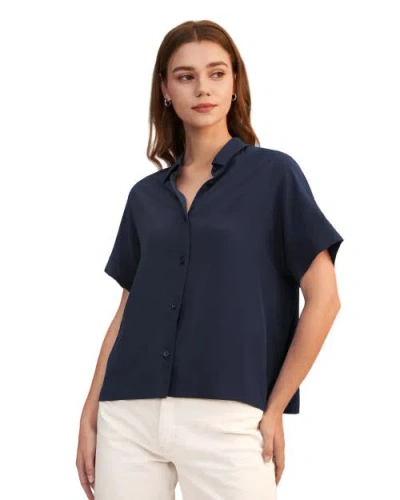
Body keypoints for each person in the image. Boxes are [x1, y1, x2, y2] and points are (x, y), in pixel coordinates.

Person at [76, 19, 344, 500]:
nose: (203, 88)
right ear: (165, 90)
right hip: (128, 416)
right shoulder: (144, 197)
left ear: (235, 83)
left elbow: (325, 300)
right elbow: (126, 312)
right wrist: (91, 410)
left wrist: (275, 407)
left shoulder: (274, 176)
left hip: (228, 416)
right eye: (186, 76)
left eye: (216, 73)